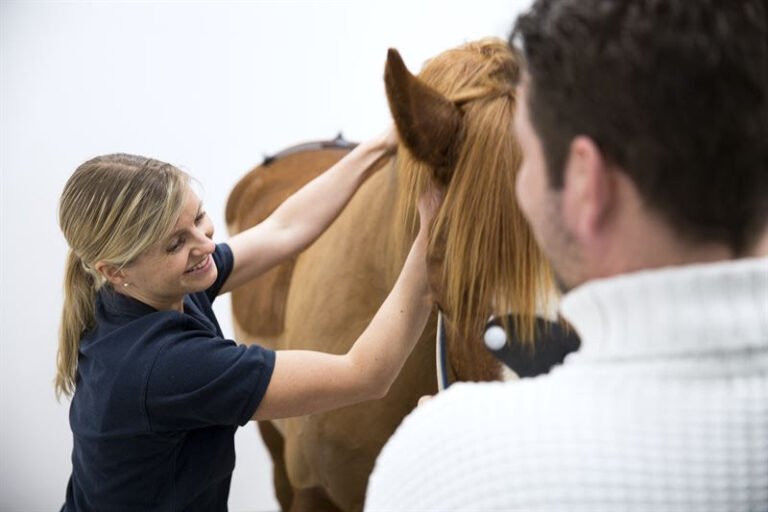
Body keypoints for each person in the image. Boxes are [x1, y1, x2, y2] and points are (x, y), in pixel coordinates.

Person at [365, 0, 768, 510]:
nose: (522, 183)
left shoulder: (437, 467)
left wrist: (434, 442)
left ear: (585, 183)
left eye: (526, 156)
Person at [56, 127, 440, 511]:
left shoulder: (141, 292)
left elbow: (283, 230)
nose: (205, 244)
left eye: (199, 217)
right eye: (175, 243)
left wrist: (380, 145)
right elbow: (365, 374)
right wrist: (431, 240)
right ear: (116, 270)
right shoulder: (165, 368)